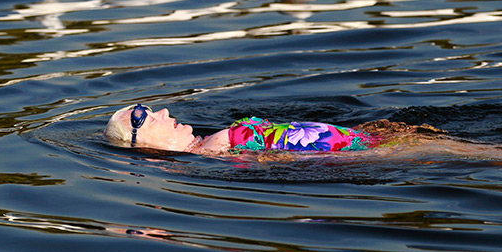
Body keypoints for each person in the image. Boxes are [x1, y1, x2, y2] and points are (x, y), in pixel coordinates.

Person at [103, 104, 447, 156]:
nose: (163, 111)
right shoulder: (215, 155)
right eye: (142, 117)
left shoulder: (210, 146)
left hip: (376, 139)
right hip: (381, 152)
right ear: (142, 146)